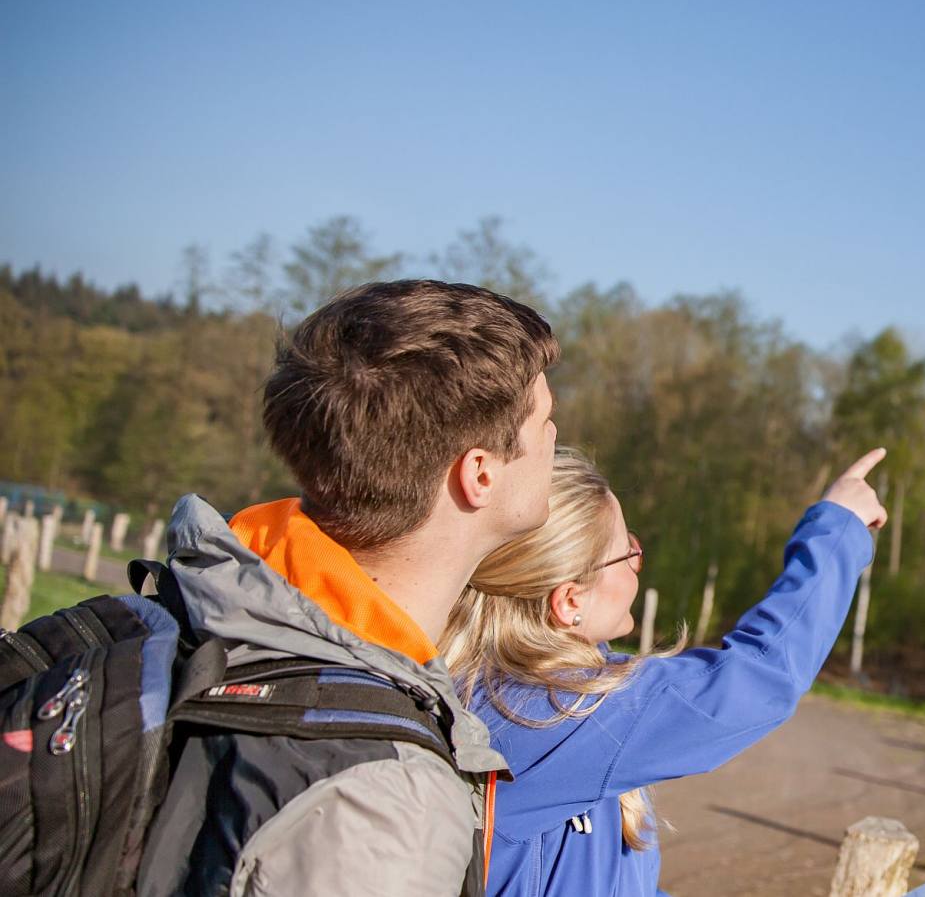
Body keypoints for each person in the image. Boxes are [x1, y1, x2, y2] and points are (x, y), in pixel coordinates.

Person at [135, 280, 559, 896]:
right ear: (480, 474)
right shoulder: (388, 804)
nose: (554, 439)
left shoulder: (205, 600)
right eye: (546, 419)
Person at [440, 446, 887, 896]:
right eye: (626, 553)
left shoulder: (498, 694)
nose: (638, 561)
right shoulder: (543, 714)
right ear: (570, 601)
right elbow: (752, 681)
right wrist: (837, 528)